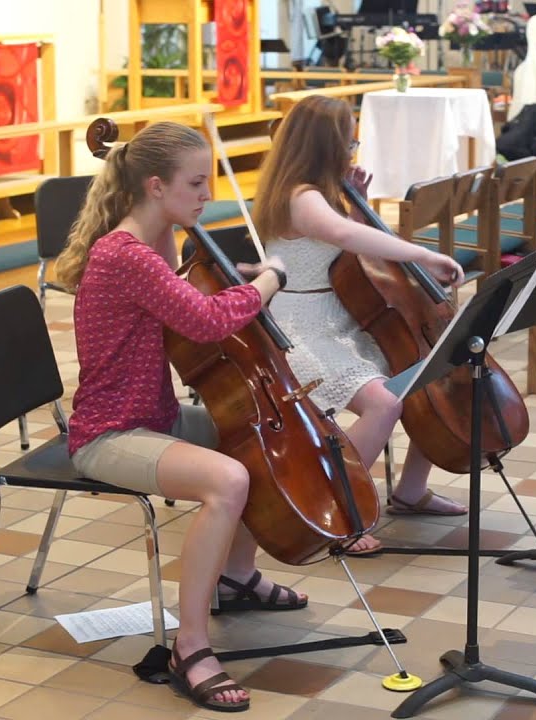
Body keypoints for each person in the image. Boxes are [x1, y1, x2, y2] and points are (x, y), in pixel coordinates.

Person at [54, 121, 297, 714]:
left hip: (151, 416)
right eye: (196, 182)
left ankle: (237, 579)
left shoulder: (152, 242)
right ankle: (190, 649)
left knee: (256, 439)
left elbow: (187, 301)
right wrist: (269, 279)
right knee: (229, 479)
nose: (207, 193)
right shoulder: (123, 253)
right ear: (156, 186)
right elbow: (208, 323)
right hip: (108, 433)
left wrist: (226, 278)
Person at [252, 95, 468, 555]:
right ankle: (334, 509)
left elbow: (352, 249)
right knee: (383, 405)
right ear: (326, 144)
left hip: (337, 319)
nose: (353, 146)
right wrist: (424, 254)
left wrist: (360, 202)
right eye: (349, 138)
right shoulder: (300, 195)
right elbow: (348, 237)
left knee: (424, 374)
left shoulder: (317, 190)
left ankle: (411, 491)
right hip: (300, 328)